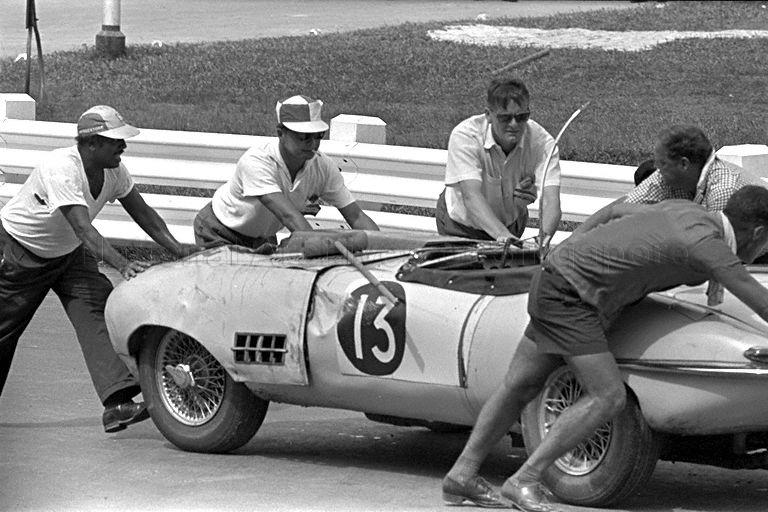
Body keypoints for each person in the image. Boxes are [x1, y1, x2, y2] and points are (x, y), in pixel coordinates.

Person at [442, 185, 768, 511]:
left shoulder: (689, 212)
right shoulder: (706, 246)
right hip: (574, 298)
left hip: (555, 279)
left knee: (520, 384)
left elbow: (614, 211)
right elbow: (759, 300)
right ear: (757, 233)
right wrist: (719, 270)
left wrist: (570, 245)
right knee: (608, 396)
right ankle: (525, 479)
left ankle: (462, 473)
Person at [0, 105, 195, 433]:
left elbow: (143, 213)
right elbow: (82, 228)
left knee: (103, 311)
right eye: (115, 140)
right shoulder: (61, 168)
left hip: (70, 256)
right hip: (21, 254)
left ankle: (117, 404)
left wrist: (180, 251)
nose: (123, 146)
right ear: (90, 144)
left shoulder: (115, 170)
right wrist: (123, 263)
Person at [194, 94, 379, 249]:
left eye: (318, 136)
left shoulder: (322, 165)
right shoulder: (257, 160)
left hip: (262, 237)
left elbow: (356, 216)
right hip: (219, 230)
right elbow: (288, 215)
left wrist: (381, 246)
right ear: (280, 133)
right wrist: (319, 246)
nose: (313, 144)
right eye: (304, 137)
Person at [435, 77, 562, 254]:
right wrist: (504, 237)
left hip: (510, 223)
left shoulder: (542, 143)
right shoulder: (465, 136)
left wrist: (543, 240)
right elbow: (471, 197)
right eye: (505, 118)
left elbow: (551, 200)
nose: (514, 124)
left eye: (521, 117)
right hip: (461, 225)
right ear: (488, 115)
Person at [624, 125, 762, 211]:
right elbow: (625, 209)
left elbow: (714, 251)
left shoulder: (724, 191)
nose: (656, 167)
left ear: (684, 164)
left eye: (662, 163)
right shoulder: (668, 175)